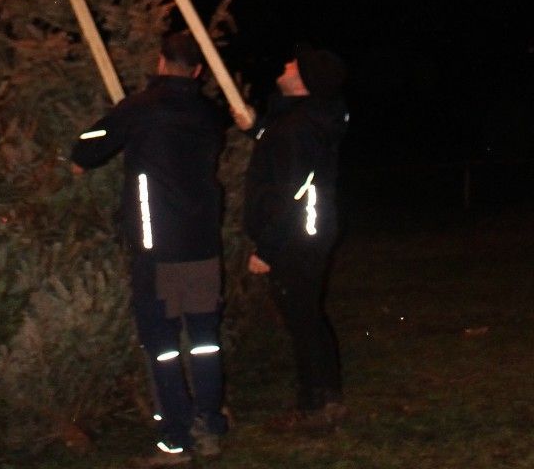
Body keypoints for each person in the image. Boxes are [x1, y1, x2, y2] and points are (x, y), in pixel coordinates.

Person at [71, 31, 228, 461]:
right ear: (198, 70)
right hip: (202, 243)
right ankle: (209, 423)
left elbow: (86, 148)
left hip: (156, 246)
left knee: (162, 343)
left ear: (160, 61)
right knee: (204, 338)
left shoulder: (140, 109)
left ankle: (176, 438)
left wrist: (98, 142)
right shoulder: (210, 113)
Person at [243, 43, 349, 430]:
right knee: (308, 317)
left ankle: (314, 406)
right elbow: (282, 145)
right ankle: (327, 397)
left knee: (302, 320)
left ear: (304, 80)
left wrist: (267, 248)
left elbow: (291, 190)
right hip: (309, 233)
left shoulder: (298, 127)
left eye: (293, 64)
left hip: (295, 238)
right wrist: (256, 127)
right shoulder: (305, 120)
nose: (286, 65)